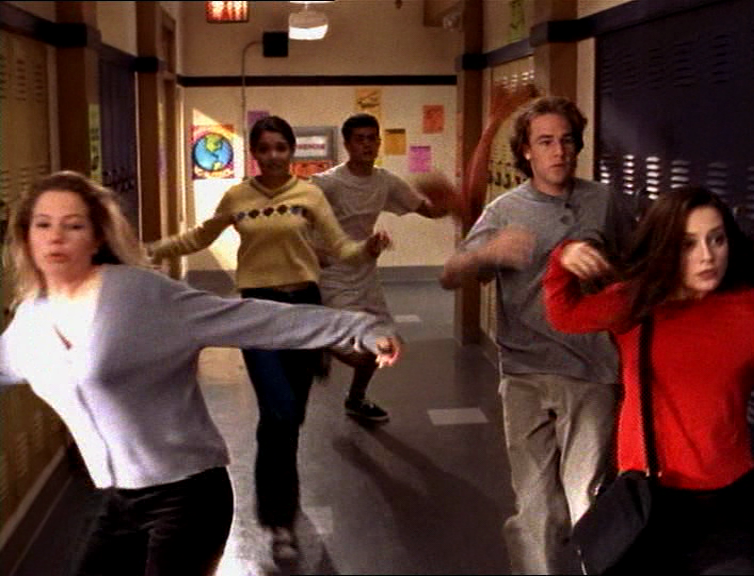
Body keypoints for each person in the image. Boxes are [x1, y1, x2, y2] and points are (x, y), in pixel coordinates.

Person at [0, 170, 400, 576]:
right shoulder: (30, 321)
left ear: (97, 236)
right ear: (25, 237)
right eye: (43, 225)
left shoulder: (140, 294)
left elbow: (248, 318)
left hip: (187, 494)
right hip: (117, 501)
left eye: (73, 226)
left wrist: (356, 328)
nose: (55, 237)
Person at [148, 115, 391, 563]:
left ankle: (281, 501)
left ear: (291, 151)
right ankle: (279, 523)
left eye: (281, 147)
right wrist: (149, 251)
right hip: (257, 313)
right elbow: (199, 237)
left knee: (289, 418)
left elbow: (341, 248)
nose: (274, 156)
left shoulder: (309, 195)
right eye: (265, 148)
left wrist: (367, 249)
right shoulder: (237, 197)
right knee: (278, 413)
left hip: (304, 310)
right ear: (255, 153)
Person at [440, 95, 632, 574]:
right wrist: (487, 254)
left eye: (566, 140)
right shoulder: (505, 210)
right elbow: (451, 274)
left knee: (586, 497)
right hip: (525, 372)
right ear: (526, 151)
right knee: (536, 506)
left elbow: (635, 267)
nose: (559, 151)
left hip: (592, 370)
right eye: (545, 142)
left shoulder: (604, 201)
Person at [544, 185, 754, 574]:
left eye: (717, 240)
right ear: (665, 247)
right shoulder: (636, 303)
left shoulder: (751, 311)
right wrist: (564, 257)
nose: (707, 256)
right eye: (688, 244)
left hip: (727, 501)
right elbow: (565, 314)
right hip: (650, 500)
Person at [311, 112, 460, 423]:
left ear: (379, 142)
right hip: (332, 274)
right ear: (347, 144)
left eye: (372, 139)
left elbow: (428, 210)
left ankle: (356, 398)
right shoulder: (328, 183)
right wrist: (313, 253)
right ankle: (319, 341)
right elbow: (298, 223)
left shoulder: (385, 181)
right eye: (360, 139)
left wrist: (448, 201)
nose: (367, 145)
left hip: (365, 272)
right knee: (362, 351)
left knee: (385, 341)